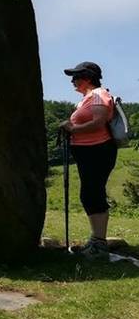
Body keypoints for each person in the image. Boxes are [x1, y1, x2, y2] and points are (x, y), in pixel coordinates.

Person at [60, 62, 118, 259]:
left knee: (93, 193)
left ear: (87, 77)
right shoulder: (88, 98)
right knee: (90, 193)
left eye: (75, 77)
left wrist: (73, 129)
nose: (72, 81)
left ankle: (99, 244)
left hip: (98, 151)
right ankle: (96, 240)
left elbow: (99, 121)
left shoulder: (98, 95)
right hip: (91, 152)